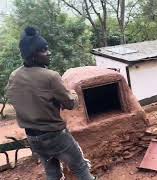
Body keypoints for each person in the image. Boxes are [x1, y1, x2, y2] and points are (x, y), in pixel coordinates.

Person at [6, 26, 95, 180]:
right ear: (33, 56)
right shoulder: (50, 76)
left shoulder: (15, 75)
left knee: (52, 172)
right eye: (44, 50)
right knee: (80, 168)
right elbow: (70, 104)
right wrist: (72, 93)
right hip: (55, 136)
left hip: (33, 138)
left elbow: (16, 98)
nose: (49, 52)